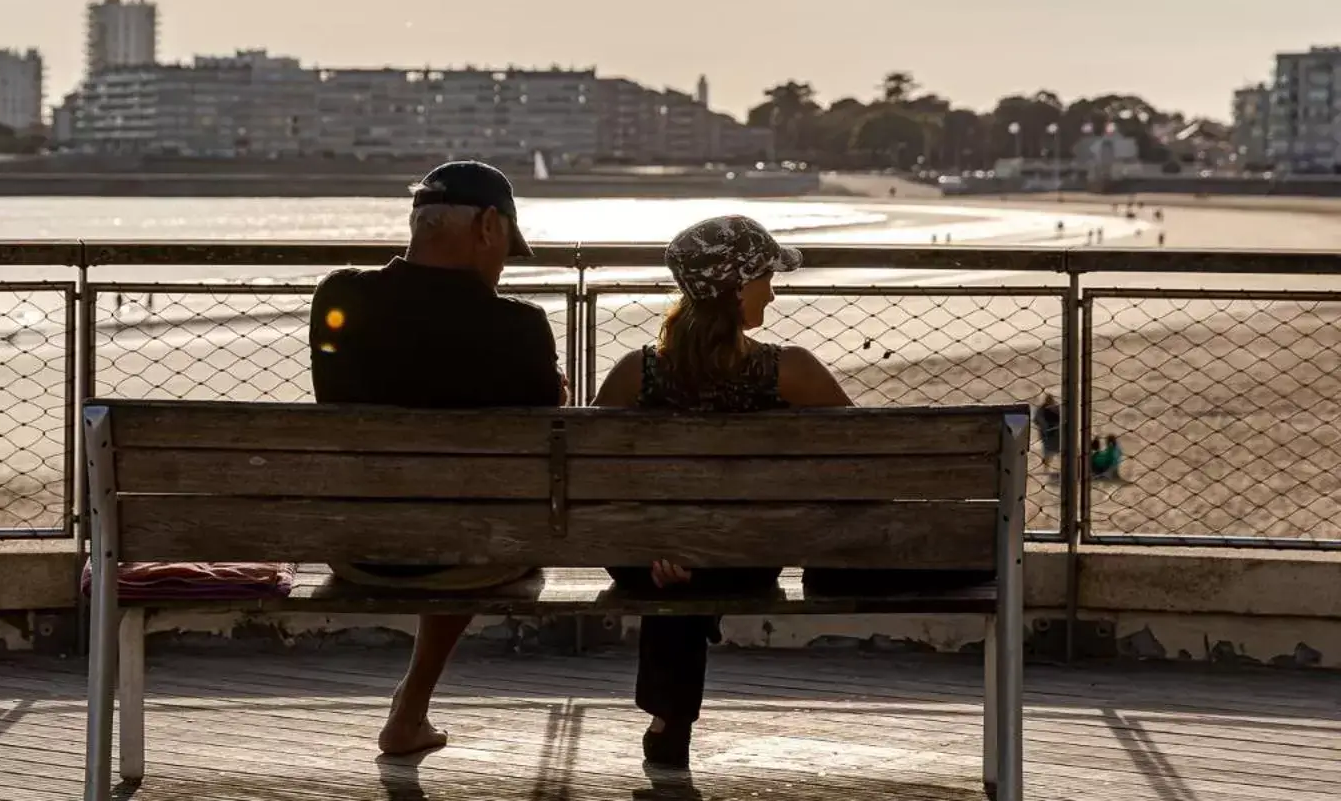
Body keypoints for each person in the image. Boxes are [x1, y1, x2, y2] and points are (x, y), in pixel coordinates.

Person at [593, 215, 986, 774]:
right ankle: (669, 714)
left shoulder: (637, 374)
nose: (773, 292)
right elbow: (869, 462)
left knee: (677, 573)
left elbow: (589, 479)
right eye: (765, 279)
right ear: (735, 288)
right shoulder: (790, 372)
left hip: (641, 560)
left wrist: (658, 541)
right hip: (746, 558)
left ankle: (668, 721)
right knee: (703, 563)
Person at [309, 160, 565, 757]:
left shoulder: (337, 296)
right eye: (506, 245)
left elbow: (335, 396)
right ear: (487, 228)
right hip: (471, 554)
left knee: (444, 514)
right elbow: (535, 439)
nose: (503, 263)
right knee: (471, 523)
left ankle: (410, 712)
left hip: (358, 547)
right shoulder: (521, 327)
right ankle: (411, 707)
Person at [1035, 393, 1063, 468]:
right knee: (1048, 452)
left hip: (1057, 433)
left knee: (1059, 451)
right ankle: (1046, 467)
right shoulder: (1041, 409)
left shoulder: (1057, 408)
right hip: (1048, 434)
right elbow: (1037, 420)